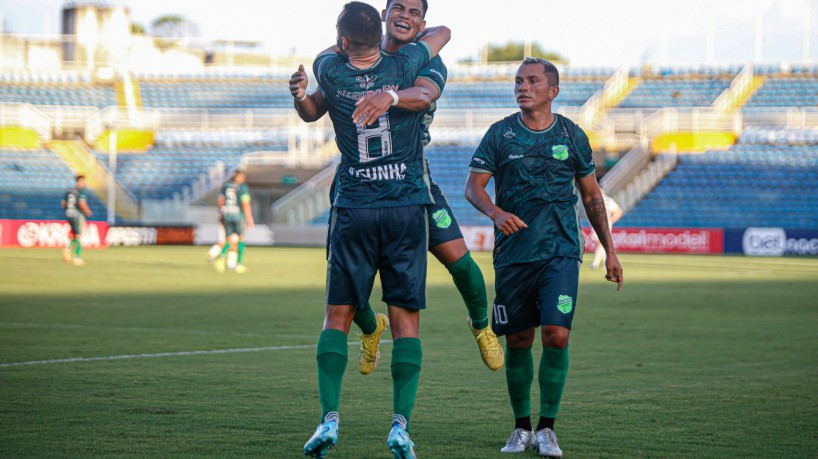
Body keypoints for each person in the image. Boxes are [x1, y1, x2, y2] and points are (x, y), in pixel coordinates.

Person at [289, 0, 503, 375]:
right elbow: (314, 110)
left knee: (460, 261)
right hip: (356, 184)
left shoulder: (426, 60)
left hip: (410, 181)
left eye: (414, 12)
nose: (405, 16)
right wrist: (304, 93)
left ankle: (481, 325)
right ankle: (371, 329)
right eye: (398, 8)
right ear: (384, 16)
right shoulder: (347, 60)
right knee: (342, 281)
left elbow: (424, 95)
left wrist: (388, 95)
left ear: (422, 23)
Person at [291, 2, 450, 458]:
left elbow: (311, 108)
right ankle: (400, 426)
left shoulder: (329, 68)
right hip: (403, 207)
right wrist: (392, 90)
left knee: (336, 316)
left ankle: (328, 419)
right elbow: (443, 33)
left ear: (342, 42)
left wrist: (302, 93)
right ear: (380, 25)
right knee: (406, 321)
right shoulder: (406, 62)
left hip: (355, 206)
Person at [465, 57, 624, 457]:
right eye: (519, 80)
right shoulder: (500, 134)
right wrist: (496, 214)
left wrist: (610, 250)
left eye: (533, 81)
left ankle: (547, 428)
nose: (523, 86)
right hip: (514, 255)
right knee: (519, 339)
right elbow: (474, 188)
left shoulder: (572, 135)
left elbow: (591, 197)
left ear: (552, 91)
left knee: (556, 335)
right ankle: (521, 429)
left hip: (561, 252)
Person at [214, 170, 254, 274]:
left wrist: (220, 213)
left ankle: (221, 257)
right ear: (239, 177)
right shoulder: (242, 188)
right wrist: (249, 218)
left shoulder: (226, 186)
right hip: (237, 215)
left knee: (229, 239)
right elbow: (245, 203)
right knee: (240, 240)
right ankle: (238, 264)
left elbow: (220, 201)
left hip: (226, 214)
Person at [61, 175, 92, 266]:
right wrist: (87, 211)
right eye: (83, 181)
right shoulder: (81, 192)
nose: (84, 183)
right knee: (78, 236)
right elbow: (82, 203)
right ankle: (76, 257)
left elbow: (63, 204)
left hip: (68, 214)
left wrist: (68, 209)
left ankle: (67, 250)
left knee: (74, 234)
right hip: (77, 215)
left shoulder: (68, 191)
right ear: (78, 182)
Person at [590, 189, 622, 270]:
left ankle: (596, 264)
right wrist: (611, 220)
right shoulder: (608, 200)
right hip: (604, 223)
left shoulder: (597, 200)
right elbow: (619, 211)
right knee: (601, 244)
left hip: (600, 223)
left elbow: (619, 211)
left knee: (601, 243)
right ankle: (605, 263)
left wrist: (611, 220)